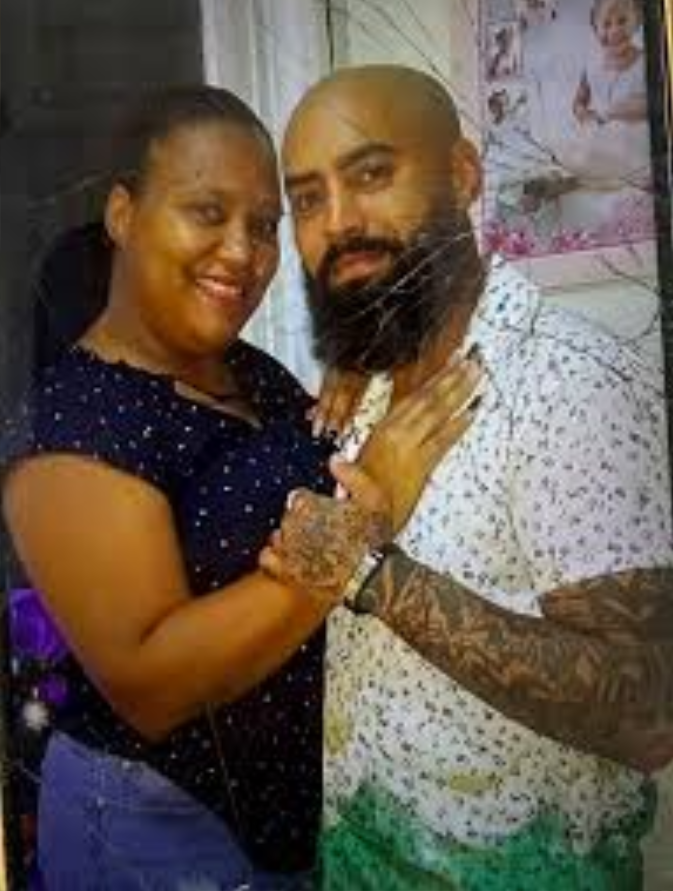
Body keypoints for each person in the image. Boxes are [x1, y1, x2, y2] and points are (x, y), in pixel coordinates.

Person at [0, 84, 480, 891]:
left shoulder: (247, 373)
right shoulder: (70, 424)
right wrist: (361, 522)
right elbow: (152, 683)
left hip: (284, 824)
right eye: (207, 212)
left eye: (263, 226)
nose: (243, 252)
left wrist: (357, 379)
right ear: (122, 214)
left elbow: (298, 488)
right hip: (155, 831)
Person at [263, 64, 673, 891]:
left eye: (370, 174)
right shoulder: (362, 385)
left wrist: (371, 576)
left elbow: (647, 714)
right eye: (307, 199)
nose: (337, 222)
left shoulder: (566, 381)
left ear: (462, 174)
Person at [573, 0, 647, 128]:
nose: (615, 31)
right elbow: (580, 98)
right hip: (602, 135)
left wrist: (612, 112)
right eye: (606, 24)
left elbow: (651, 104)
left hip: (634, 136)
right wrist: (581, 110)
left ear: (636, 23)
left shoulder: (644, 62)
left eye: (622, 21)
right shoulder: (593, 63)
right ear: (596, 30)